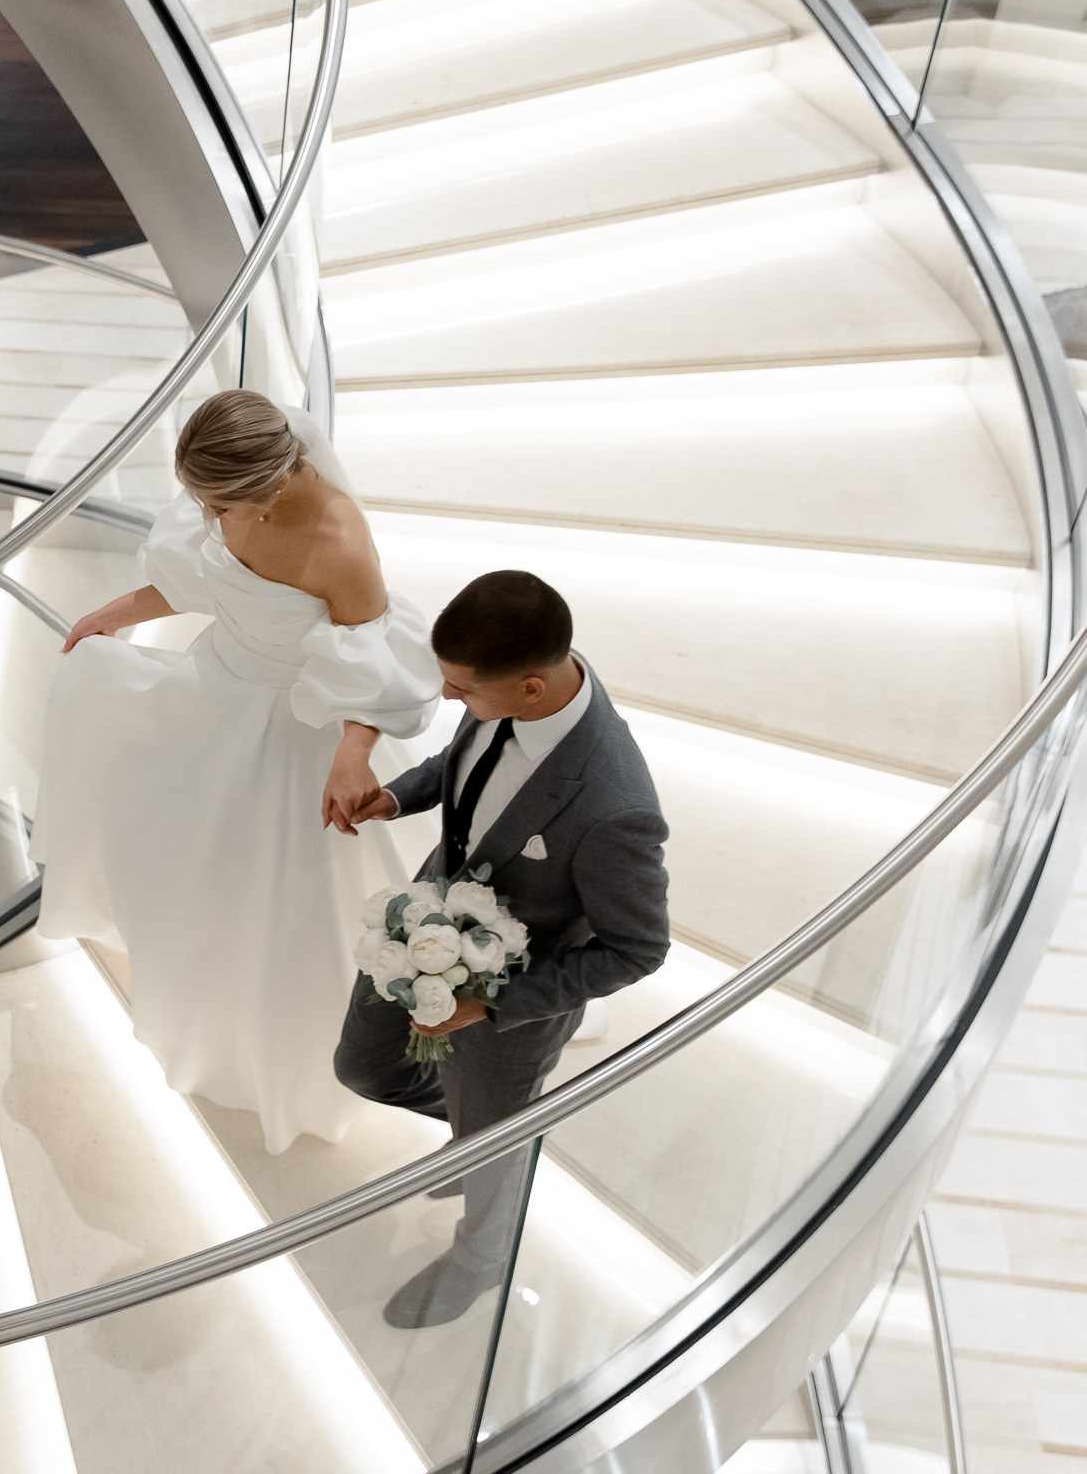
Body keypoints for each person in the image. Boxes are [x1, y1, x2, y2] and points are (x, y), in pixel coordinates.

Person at [33, 388, 442, 1153]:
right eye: (201, 500)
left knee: (281, 903)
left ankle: (284, 1053)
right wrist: (120, 613)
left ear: (274, 483)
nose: (209, 516)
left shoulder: (338, 539)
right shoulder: (223, 500)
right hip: (214, 689)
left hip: (296, 724)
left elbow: (371, 667)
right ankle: (195, 997)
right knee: (181, 853)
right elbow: (204, 581)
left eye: (220, 503)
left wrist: (351, 757)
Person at [332, 570, 670, 1328]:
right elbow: (467, 770)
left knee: (494, 1147)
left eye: (461, 690)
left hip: (506, 1008)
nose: (449, 700)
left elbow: (638, 950)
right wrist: (398, 796)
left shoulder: (616, 807)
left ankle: (482, 1257)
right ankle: (471, 1130)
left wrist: (489, 1005)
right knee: (360, 1066)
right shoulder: (506, 694)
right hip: (421, 932)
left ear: (528, 688)